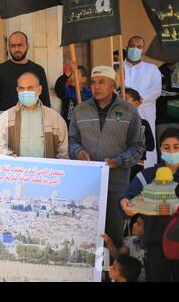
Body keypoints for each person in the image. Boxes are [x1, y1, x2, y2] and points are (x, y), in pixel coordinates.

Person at [69, 66, 145, 248]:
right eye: (93, 82)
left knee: (113, 236)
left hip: (117, 185)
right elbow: (71, 141)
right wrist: (77, 151)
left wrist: (120, 160)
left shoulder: (129, 111)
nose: (96, 87)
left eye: (102, 82)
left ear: (113, 84)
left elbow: (138, 147)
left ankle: (112, 273)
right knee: (86, 235)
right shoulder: (80, 110)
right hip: (86, 185)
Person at [119, 127, 179, 282]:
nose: (172, 151)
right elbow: (126, 199)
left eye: (176, 147)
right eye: (167, 147)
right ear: (160, 148)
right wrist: (124, 204)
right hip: (155, 244)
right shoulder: (148, 175)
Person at [0, 72, 68, 159]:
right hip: (17, 170)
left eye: (30, 88)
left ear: (39, 90)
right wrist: (8, 155)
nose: (25, 92)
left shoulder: (55, 119)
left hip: (46, 171)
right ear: (17, 90)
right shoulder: (6, 117)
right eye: (21, 88)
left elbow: (63, 155)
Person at [124, 35, 162, 168]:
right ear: (127, 48)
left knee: (147, 147)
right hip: (122, 115)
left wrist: (139, 100)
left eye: (139, 47)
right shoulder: (117, 67)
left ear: (143, 49)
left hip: (145, 114)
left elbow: (156, 90)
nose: (135, 49)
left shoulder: (152, 69)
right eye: (132, 46)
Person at [0, 31, 50, 113]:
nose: (16, 49)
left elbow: (45, 101)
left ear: (27, 46)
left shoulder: (38, 70)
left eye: (20, 45)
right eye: (13, 46)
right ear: (8, 47)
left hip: (33, 120)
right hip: (6, 122)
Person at [102, 214, 146, 281]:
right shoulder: (133, 240)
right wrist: (109, 243)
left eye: (138, 224)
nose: (134, 224)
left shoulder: (150, 252)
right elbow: (118, 256)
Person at [123, 88, 155, 179]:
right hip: (118, 164)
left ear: (136, 103)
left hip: (137, 165)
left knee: (134, 191)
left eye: (125, 99)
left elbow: (151, 146)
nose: (121, 102)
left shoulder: (143, 124)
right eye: (119, 99)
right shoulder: (113, 123)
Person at [54, 62, 92, 127]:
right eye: (71, 74)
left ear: (83, 79)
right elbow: (59, 88)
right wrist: (67, 73)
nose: (71, 77)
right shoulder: (68, 90)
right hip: (68, 126)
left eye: (75, 74)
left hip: (84, 127)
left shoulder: (89, 94)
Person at [157, 61, 179, 148]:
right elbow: (156, 92)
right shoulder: (158, 71)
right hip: (162, 119)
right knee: (164, 150)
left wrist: (167, 90)